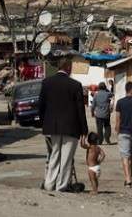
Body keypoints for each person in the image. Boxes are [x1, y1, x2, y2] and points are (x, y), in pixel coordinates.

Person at [38, 57, 88, 192]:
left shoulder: (47, 82)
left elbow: (41, 106)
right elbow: (80, 110)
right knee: (66, 158)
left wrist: (43, 124)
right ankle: (61, 186)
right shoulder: (75, 85)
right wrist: (84, 131)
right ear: (68, 68)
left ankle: (49, 184)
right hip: (71, 127)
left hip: (52, 127)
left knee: (54, 155)